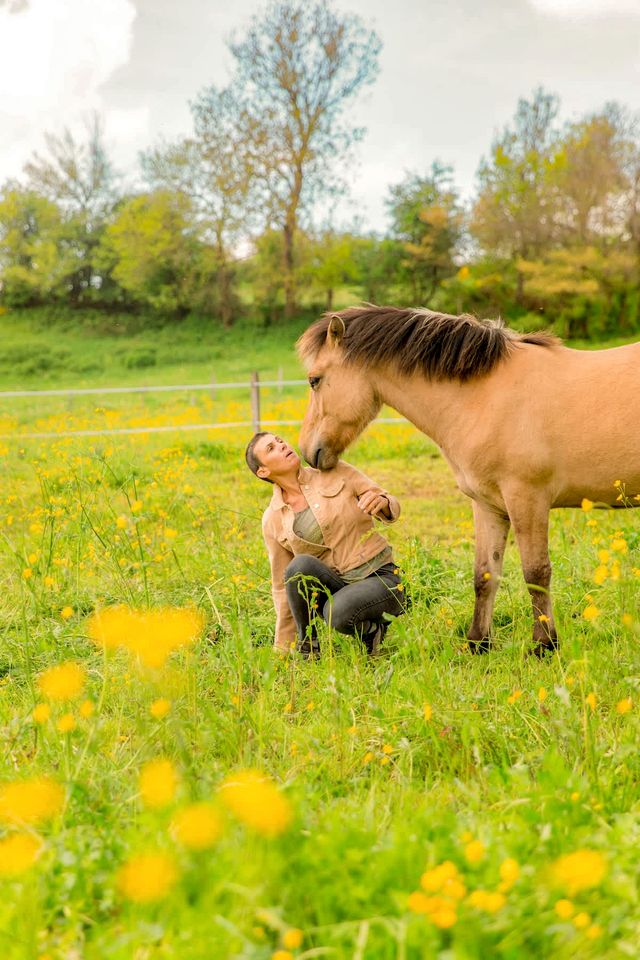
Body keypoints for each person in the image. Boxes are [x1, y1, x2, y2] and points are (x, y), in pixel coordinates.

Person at [245, 432, 406, 657]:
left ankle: (373, 630)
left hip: (378, 577)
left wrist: (383, 503)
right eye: (271, 448)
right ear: (263, 471)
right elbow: (283, 586)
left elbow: (389, 502)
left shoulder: (336, 471)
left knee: (335, 612)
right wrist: (283, 645)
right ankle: (307, 649)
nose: (281, 446)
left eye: (280, 441)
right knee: (298, 567)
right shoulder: (272, 518)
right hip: (336, 586)